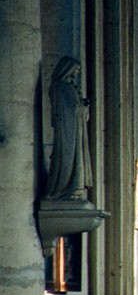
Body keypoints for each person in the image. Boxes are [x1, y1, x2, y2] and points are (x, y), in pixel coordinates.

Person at [42, 56, 91, 200]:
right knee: (67, 158)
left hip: (75, 130)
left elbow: (76, 108)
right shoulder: (61, 87)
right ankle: (64, 188)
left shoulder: (68, 87)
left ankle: (73, 188)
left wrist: (83, 107)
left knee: (76, 158)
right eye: (76, 70)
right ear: (68, 69)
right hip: (67, 131)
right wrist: (80, 107)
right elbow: (68, 109)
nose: (77, 73)